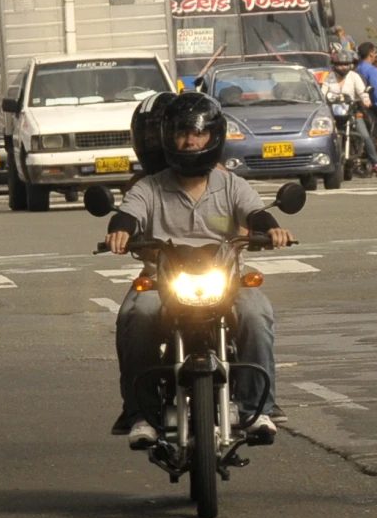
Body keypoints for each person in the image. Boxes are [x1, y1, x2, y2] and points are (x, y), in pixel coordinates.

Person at [106, 92, 292, 448]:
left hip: (226, 278)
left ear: (214, 136)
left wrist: (272, 229)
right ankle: (140, 413)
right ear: (168, 137)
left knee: (257, 312)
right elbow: (128, 214)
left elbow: (254, 212)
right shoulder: (149, 187)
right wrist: (121, 231)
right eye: (181, 133)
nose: (190, 141)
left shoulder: (231, 184)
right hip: (163, 281)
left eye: (199, 133)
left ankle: (259, 408)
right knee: (137, 314)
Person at [352, 42, 377, 175]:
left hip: (356, 106)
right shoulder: (371, 70)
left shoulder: (355, 69)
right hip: (371, 107)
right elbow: (376, 90)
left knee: (362, 136)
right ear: (371, 53)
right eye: (374, 53)